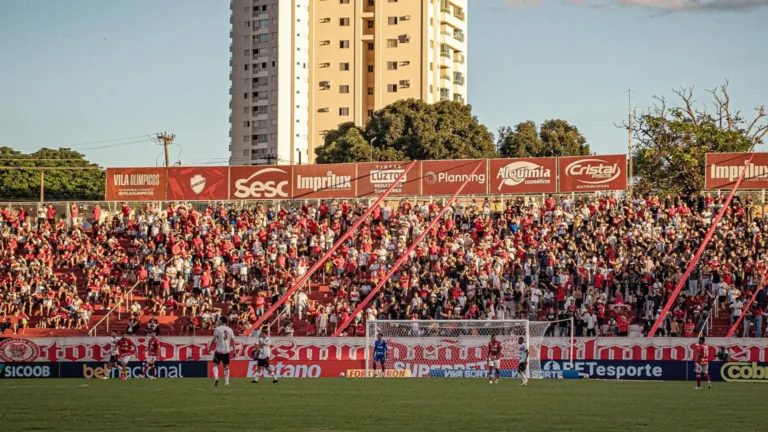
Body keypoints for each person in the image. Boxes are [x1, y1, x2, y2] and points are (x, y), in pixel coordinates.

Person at [211, 316, 235, 387]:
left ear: (221, 321)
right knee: (226, 366)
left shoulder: (217, 329)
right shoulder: (230, 329)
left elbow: (214, 339)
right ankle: (226, 382)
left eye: (219, 320)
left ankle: (216, 377)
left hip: (219, 350)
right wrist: (234, 350)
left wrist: (210, 346)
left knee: (215, 364)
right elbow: (233, 341)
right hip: (226, 350)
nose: (218, 321)